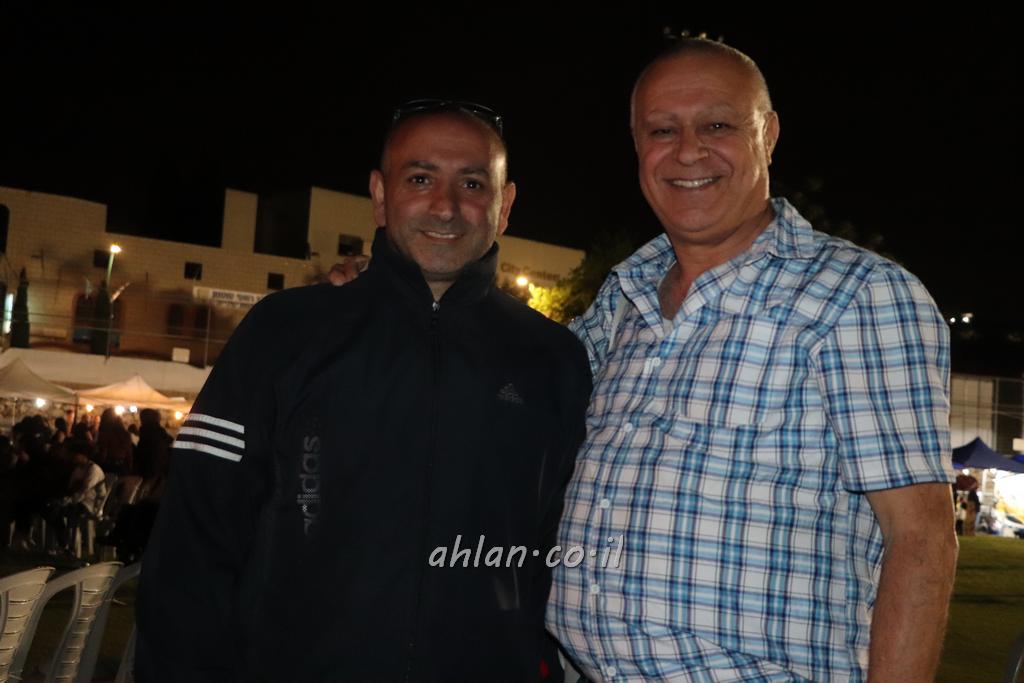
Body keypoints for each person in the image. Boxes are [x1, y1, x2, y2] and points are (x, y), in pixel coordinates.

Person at [136, 100, 592, 682]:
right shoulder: (284, 331)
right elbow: (193, 544)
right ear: (379, 195)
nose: (446, 206)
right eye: (420, 178)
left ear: (504, 206)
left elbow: (557, 552)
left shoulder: (553, 360)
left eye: (473, 183)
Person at [547, 39, 958, 682]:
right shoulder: (624, 300)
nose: (688, 151)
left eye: (717, 125)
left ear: (768, 134)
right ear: (637, 145)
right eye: (662, 130)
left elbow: (922, 540)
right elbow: (515, 381)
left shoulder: (857, 295)